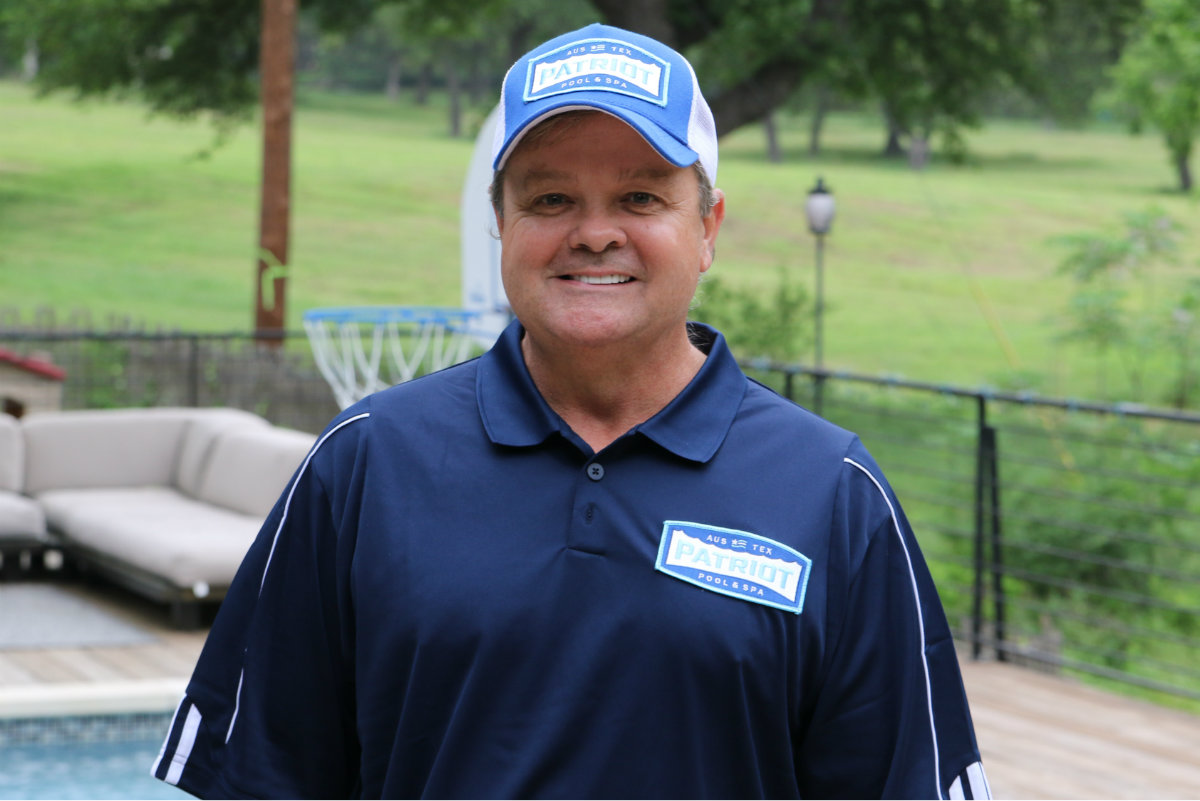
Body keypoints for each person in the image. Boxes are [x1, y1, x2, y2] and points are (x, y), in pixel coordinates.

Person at [153, 23, 990, 799]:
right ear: (500, 221)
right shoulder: (366, 464)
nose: (594, 233)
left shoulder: (832, 495)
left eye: (640, 197)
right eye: (551, 198)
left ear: (708, 227)